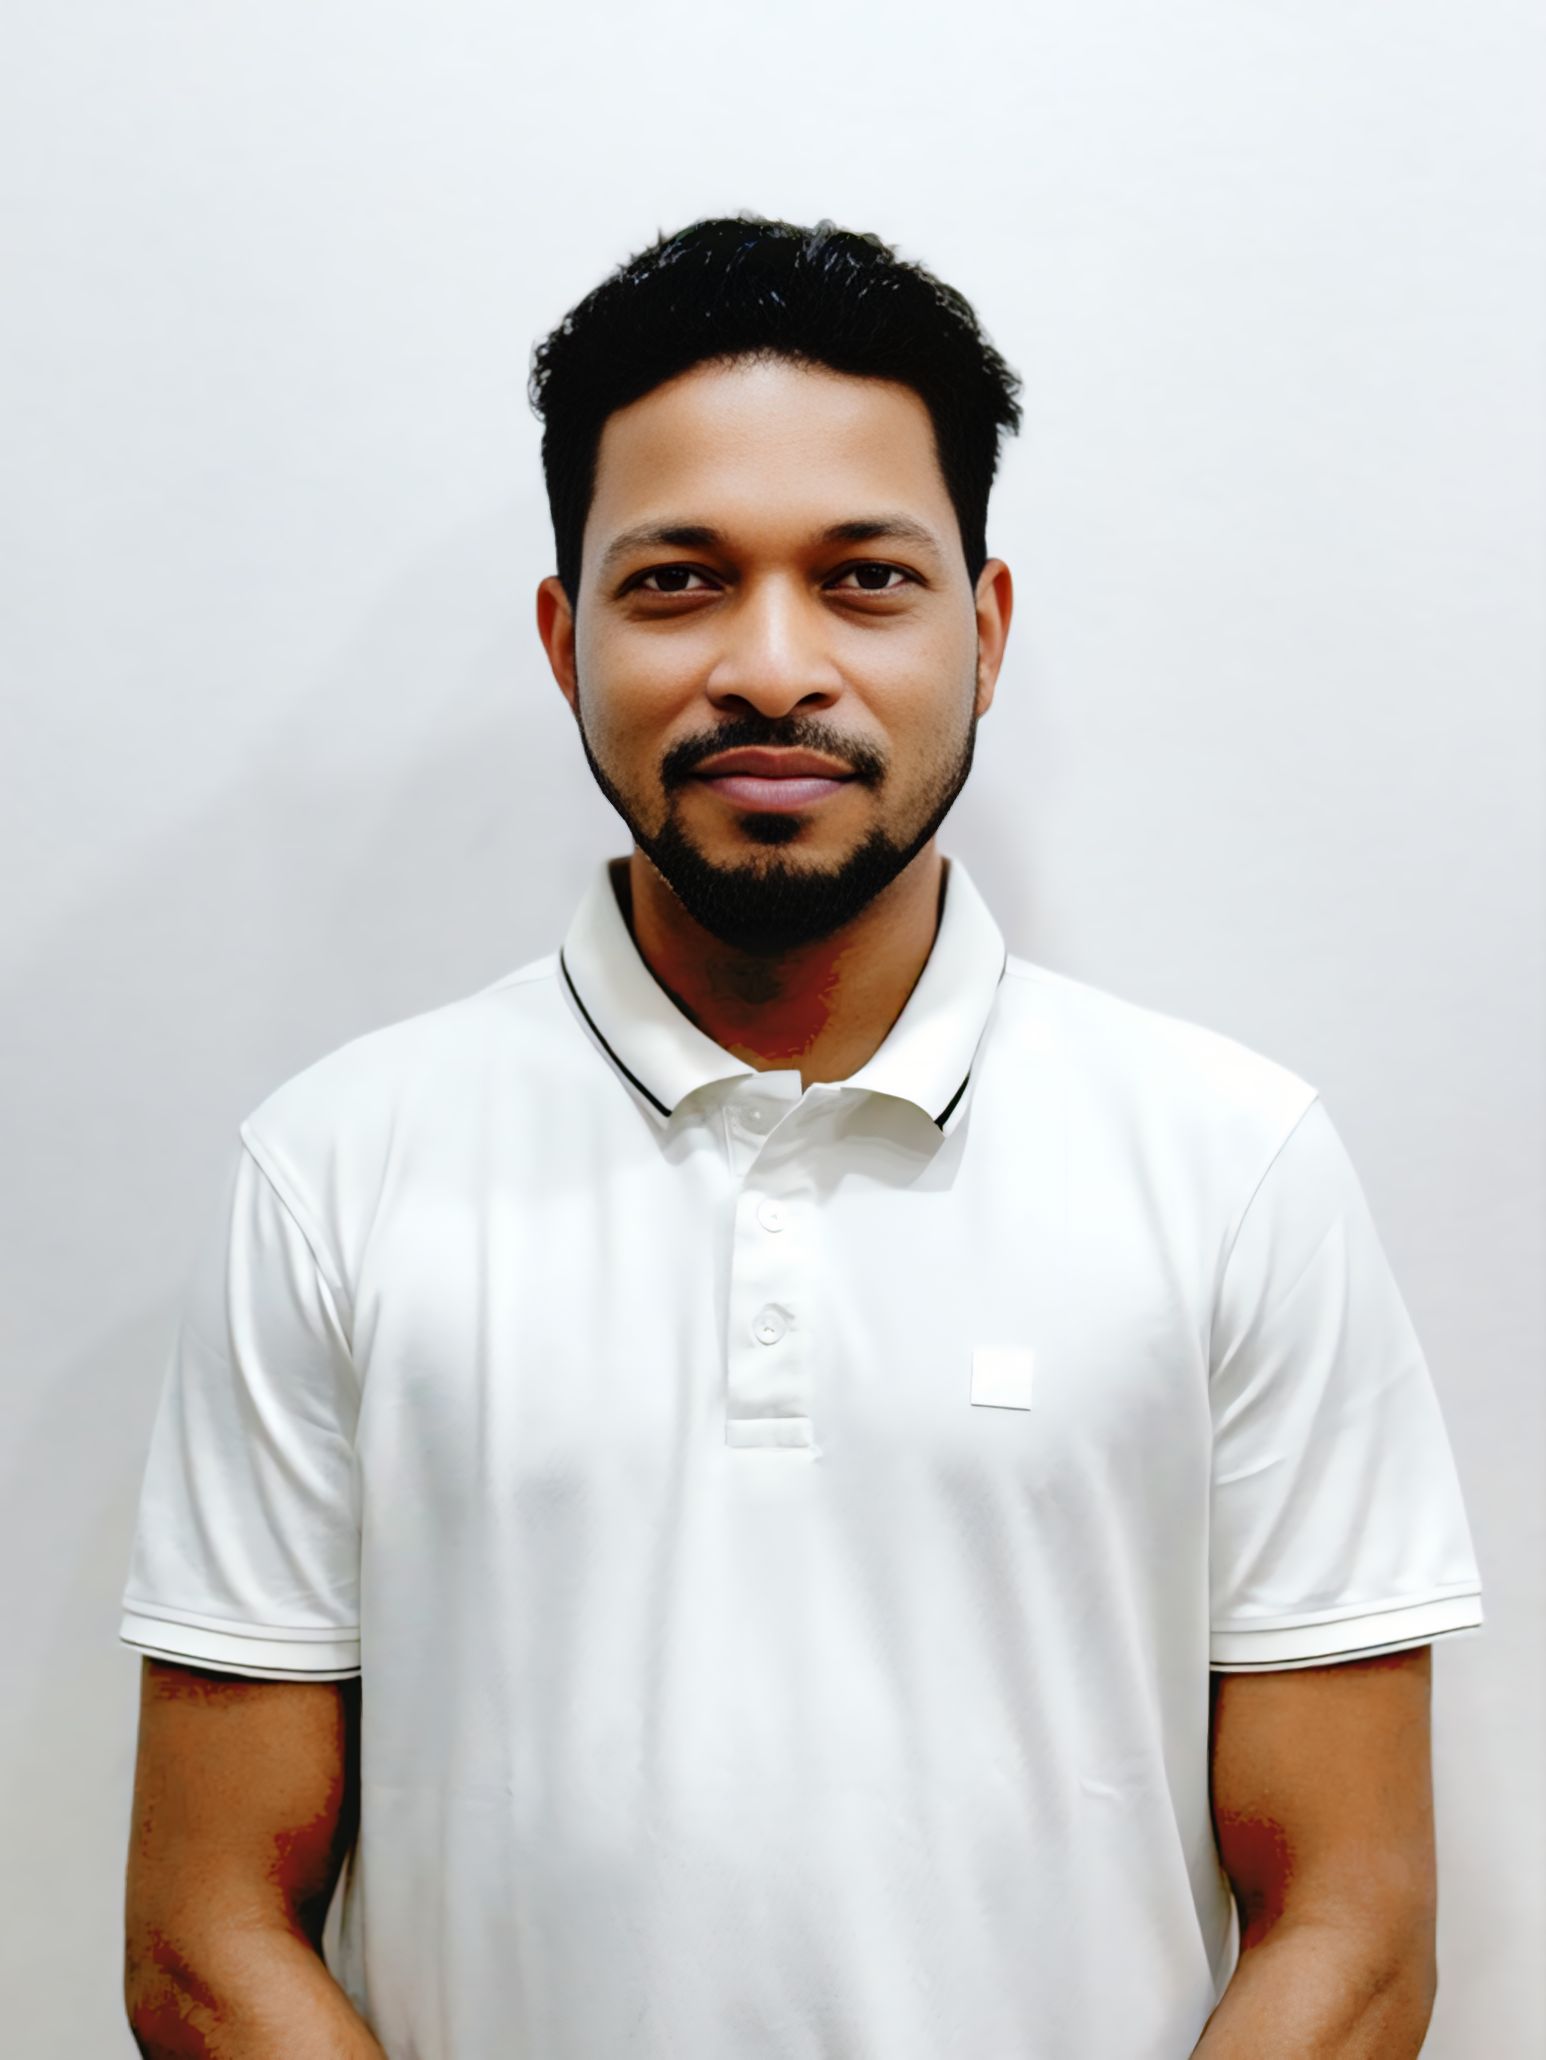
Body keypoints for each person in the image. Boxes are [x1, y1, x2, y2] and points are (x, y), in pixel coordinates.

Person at [119, 214, 1485, 2059]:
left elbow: (1354, 1925)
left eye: (864, 581)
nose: (771, 666)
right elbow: (207, 1937)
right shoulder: (335, 1173)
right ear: (565, 638)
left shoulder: (1231, 1167)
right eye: (679, 582)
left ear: (982, 633)